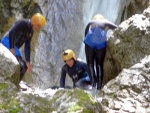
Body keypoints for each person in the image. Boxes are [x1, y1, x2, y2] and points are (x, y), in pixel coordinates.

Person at [1, 13, 46, 81]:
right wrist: (12, 48)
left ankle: (16, 83)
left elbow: (27, 46)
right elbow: (12, 32)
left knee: (24, 66)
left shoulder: (31, 31)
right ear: (34, 22)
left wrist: (28, 62)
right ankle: (14, 84)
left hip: (14, 46)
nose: (39, 28)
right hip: (7, 41)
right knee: (22, 65)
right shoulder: (23, 23)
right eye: (38, 26)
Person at [83, 14, 118, 90]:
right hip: (101, 42)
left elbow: (86, 35)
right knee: (99, 65)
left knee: (90, 63)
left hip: (90, 40)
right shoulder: (106, 21)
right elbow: (118, 28)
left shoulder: (90, 22)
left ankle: (93, 84)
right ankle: (99, 87)